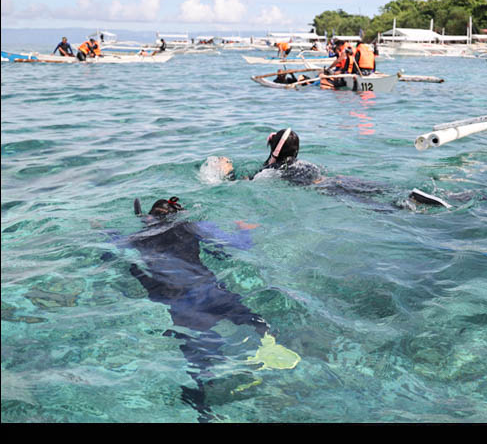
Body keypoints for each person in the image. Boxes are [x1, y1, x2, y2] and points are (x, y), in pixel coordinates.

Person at [108, 196, 294, 421]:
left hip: (178, 301)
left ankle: (204, 409)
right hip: (208, 289)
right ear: (177, 213)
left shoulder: (137, 238)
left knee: (198, 353)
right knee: (250, 317)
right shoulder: (190, 226)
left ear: (148, 218)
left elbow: (112, 247)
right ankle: (268, 342)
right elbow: (240, 245)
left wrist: (101, 230)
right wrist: (243, 229)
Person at [203, 128, 456, 211]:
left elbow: (244, 185)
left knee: (369, 203)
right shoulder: (302, 163)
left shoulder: (271, 172)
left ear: (274, 148)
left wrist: (228, 172)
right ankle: (411, 196)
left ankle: (404, 206)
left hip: (325, 189)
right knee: (372, 189)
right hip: (328, 178)